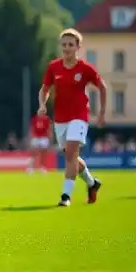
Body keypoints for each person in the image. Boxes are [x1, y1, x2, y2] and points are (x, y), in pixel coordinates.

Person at [38, 28, 105, 207]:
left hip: (80, 116)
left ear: (78, 47)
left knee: (71, 156)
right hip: (60, 119)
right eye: (64, 45)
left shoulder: (85, 68)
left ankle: (65, 196)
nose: (67, 48)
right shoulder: (54, 67)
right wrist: (42, 105)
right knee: (71, 158)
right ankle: (92, 183)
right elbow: (44, 89)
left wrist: (101, 113)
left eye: (70, 45)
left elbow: (102, 87)